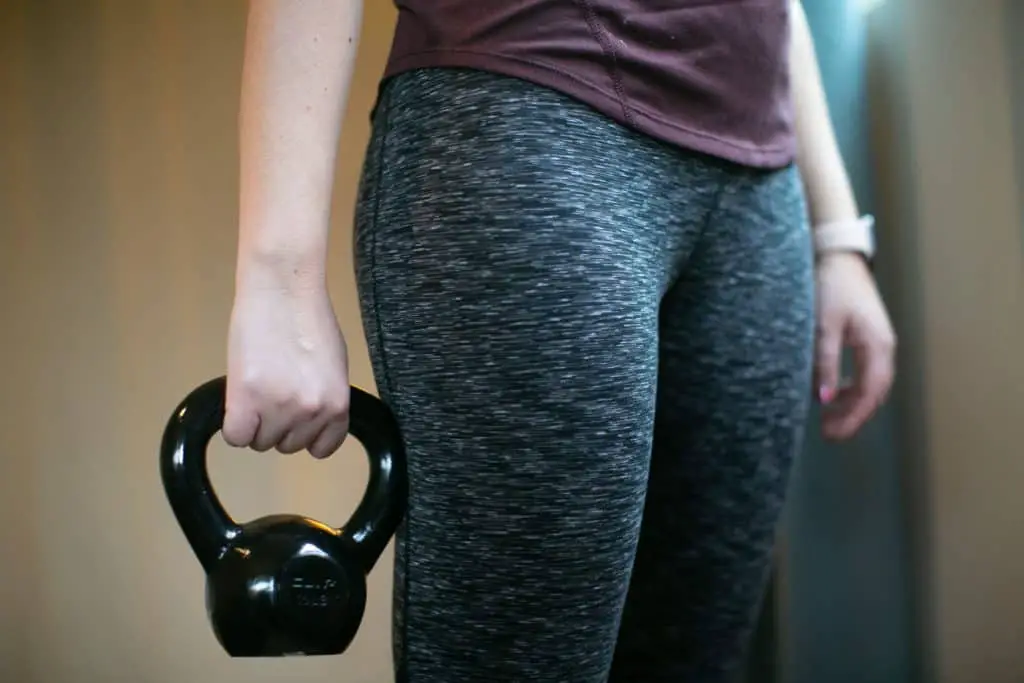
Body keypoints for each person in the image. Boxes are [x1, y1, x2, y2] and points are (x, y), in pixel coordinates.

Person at [222, 1, 896, 681]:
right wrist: (279, 277)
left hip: (758, 186)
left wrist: (836, 233)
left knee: (695, 660)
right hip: (530, 118)